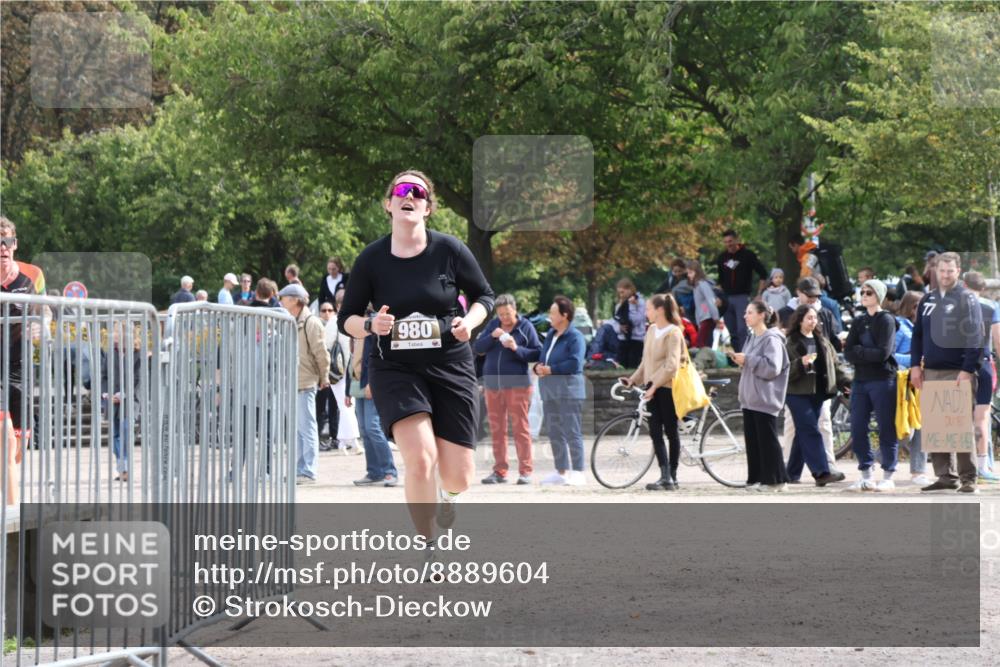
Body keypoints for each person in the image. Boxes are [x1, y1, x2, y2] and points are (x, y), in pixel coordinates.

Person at [338, 170, 495, 538]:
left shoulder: (450, 250)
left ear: (428, 207)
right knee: (420, 459)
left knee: (460, 474)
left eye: (418, 192)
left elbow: (484, 297)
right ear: (388, 203)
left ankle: (449, 496)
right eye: (402, 190)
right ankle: (430, 544)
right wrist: (370, 325)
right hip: (395, 367)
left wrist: (469, 323)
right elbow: (347, 317)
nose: (410, 196)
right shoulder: (371, 259)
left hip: (450, 361)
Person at [911, 252, 983, 493]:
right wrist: (914, 367)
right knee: (936, 425)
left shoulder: (967, 299)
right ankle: (945, 476)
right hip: (930, 370)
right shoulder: (927, 299)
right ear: (935, 271)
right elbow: (918, 335)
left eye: (950, 271)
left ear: (958, 271)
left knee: (959, 426)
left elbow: (975, 336)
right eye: (941, 270)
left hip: (957, 372)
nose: (945, 275)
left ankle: (968, 478)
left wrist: (967, 369)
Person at [472, 293, 542, 485]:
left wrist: (515, 347)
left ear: (515, 309)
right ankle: (500, 471)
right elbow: (478, 347)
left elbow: (537, 352)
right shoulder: (493, 325)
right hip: (492, 385)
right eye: (501, 314)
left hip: (518, 385)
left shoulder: (525, 326)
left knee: (520, 428)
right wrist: (492, 337)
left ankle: (525, 471)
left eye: (507, 314)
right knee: (497, 429)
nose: (504, 318)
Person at [620, 293, 684, 490]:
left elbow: (671, 365)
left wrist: (655, 386)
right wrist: (633, 380)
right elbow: (645, 362)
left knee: (671, 432)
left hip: (666, 388)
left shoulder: (673, 332)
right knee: (655, 432)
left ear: (659, 310)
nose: (645, 312)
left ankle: (672, 475)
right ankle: (664, 475)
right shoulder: (651, 330)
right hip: (652, 388)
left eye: (648, 309)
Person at [843, 279, 899, 491]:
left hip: (883, 380)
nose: (864, 295)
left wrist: (860, 352)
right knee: (857, 427)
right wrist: (864, 354)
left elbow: (884, 353)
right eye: (862, 292)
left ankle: (888, 474)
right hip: (861, 381)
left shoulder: (887, 320)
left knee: (886, 426)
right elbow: (848, 351)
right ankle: (866, 473)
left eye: (869, 292)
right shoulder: (858, 321)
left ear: (879, 296)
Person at [784, 305, 848, 486]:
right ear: (800, 320)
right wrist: (800, 364)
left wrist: (847, 383)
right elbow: (783, 371)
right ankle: (822, 472)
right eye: (809, 318)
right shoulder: (790, 342)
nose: (813, 321)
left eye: (815, 318)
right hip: (796, 393)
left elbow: (836, 366)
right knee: (810, 429)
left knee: (803, 432)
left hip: (818, 393)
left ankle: (790, 473)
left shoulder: (823, 342)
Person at [732, 300, 790, 491]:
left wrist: (748, 359)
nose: (745, 316)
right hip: (750, 399)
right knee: (754, 442)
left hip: (765, 398)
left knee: (767, 441)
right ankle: (757, 478)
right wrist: (744, 360)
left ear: (762, 315)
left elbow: (772, 368)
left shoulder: (772, 339)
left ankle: (774, 481)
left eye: (750, 312)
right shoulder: (752, 338)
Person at [0, 216, 46, 447]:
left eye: (7, 241)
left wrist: (41, 324)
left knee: (18, 448)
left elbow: (44, 310)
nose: (3, 247)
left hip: (19, 365)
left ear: (15, 244)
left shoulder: (33, 274)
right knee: (4, 441)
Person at [279, 283, 331, 485]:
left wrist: (324, 377)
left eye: (284, 298)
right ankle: (300, 469)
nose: (281, 301)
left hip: (306, 381)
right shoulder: (293, 320)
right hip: (294, 382)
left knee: (307, 427)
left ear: (294, 300)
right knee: (299, 429)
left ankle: (308, 470)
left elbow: (321, 353)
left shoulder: (311, 322)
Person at [533, 295, 587, 486]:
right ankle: (561, 471)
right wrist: (538, 367)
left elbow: (575, 362)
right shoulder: (550, 334)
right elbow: (544, 357)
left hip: (569, 391)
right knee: (554, 432)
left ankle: (579, 471)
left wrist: (551, 369)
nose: (550, 315)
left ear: (564, 315)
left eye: (553, 312)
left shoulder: (575, 336)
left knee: (572, 431)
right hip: (549, 391)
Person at [349, 308, 399, 487]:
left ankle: (389, 471)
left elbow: (377, 356)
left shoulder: (373, 325)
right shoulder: (355, 328)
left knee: (373, 427)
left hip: (372, 381)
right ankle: (374, 471)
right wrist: (349, 389)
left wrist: (372, 382)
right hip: (357, 381)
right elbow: (353, 358)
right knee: (363, 428)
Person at [962, 271, 1000, 482]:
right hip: (985, 364)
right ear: (983, 288)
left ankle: (964, 465)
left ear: (964, 285)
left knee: (960, 418)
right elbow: (997, 340)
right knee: (982, 418)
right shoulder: (991, 306)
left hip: (960, 364)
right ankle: (983, 467)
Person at [893, 290, 930, 485]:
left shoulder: (920, 325)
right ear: (914, 307)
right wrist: (914, 360)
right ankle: (878, 460)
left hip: (918, 382)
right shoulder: (900, 326)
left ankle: (919, 471)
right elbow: (890, 354)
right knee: (906, 429)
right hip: (904, 382)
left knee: (920, 426)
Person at [99, 323, 142, 482]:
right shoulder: (111, 353)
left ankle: (125, 468)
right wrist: (106, 393)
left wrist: (123, 394)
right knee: (116, 436)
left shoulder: (138, 353)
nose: (113, 334)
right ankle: (122, 469)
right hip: (112, 402)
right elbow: (104, 376)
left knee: (125, 433)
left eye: (116, 331)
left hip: (130, 401)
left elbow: (139, 379)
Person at [715, 229, 768, 352]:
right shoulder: (722, 258)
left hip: (742, 297)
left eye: (731, 241)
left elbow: (763, 274)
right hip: (726, 298)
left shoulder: (747, 255)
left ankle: (747, 356)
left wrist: (759, 294)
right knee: (732, 330)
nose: (729, 244)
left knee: (742, 329)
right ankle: (738, 356)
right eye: (726, 242)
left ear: (737, 240)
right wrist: (718, 296)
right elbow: (720, 280)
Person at [329, 290, 361, 454]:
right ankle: (354, 441)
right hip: (339, 371)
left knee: (347, 405)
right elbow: (327, 346)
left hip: (351, 369)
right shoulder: (334, 321)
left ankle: (343, 441)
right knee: (346, 405)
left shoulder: (351, 320)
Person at [316, 299, 340, 450]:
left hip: (336, 373)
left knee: (334, 407)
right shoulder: (316, 326)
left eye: (330, 310)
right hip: (320, 373)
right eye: (324, 310)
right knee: (319, 408)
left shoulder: (337, 326)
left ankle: (335, 437)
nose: (326, 313)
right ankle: (318, 438)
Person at [685, 260, 719, 349]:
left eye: (690, 273)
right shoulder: (696, 286)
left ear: (697, 272)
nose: (688, 275)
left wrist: (715, 317)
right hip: (703, 318)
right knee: (702, 343)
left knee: (701, 343)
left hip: (707, 318)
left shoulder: (702, 284)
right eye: (688, 273)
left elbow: (710, 300)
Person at [613, 278, 646, 368]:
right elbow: (615, 320)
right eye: (619, 293)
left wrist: (632, 306)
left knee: (633, 365)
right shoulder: (620, 304)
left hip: (636, 339)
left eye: (623, 292)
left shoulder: (640, 303)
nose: (621, 295)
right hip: (623, 338)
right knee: (622, 365)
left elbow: (636, 320)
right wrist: (620, 328)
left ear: (630, 290)